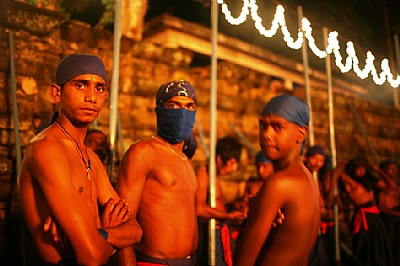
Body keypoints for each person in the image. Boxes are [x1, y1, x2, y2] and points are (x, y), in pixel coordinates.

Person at [18, 54, 142, 265]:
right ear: (57, 93)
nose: (92, 97)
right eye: (81, 85)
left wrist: (101, 233)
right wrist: (114, 234)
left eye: (99, 88)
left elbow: (136, 231)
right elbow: (91, 256)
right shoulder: (47, 149)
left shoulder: (91, 157)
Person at [117, 80, 198, 266]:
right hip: (154, 262)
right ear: (160, 110)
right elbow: (122, 218)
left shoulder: (187, 160)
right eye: (173, 105)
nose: (182, 112)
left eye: (189, 106)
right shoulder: (144, 151)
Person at [233, 94, 320, 266]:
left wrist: (255, 212)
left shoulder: (279, 184)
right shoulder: (308, 178)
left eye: (277, 127)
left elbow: (242, 260)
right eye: (263, 126)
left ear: (301, 134)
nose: (266, 135)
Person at [195, 136, 247, 266]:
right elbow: (199, 209)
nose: (234, 168)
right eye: (232, 162)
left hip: (218, 232)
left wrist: (232, 207)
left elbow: (213, 205)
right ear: (219, 159)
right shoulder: (203, 173)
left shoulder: (215, 177)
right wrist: (228, 216)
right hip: (207, 234)